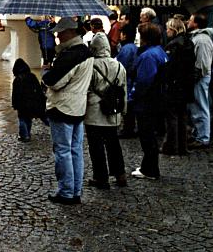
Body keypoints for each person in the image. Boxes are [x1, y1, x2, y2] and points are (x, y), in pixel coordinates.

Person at [41, 17, 93, 205]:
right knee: (75, 150)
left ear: (69, 32)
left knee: (63, 151)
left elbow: (54, 81)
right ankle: (75, 190)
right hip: (79, 107)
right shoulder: (86, 52)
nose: (57, 36)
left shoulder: (71, 55)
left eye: (60, 33)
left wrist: (46, 72)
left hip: (62, 108)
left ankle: (66, 191)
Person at [85, 34, 127, 189]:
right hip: (113, 111)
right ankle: (120, 174)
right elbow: (123, 90)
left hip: (94, 112)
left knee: (96, 146)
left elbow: (86, 89)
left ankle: (101, 178)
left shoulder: (90, 65)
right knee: (113, 144)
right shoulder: (119, 66)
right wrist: (123, 111)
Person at [131, 23, 169, 180]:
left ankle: (150, 169)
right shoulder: (159, 52)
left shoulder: (148, 56)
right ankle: (148, 166)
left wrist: (134, 96)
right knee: (150, 135)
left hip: (148, 101)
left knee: (147, 136)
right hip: (157, 99)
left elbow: (144, 81)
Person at [161, 18, 195, 156]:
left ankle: (172, 146)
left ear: (174, 29)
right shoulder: (188, 42)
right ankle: (182, 146)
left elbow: (170, 68)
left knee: (172, 117)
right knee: (182, 116)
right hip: (186, 85)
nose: (167, 31)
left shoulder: (173, 45)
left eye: (168, 28)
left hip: (175, 85)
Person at [187, 13, 213, 149]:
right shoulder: (198, 37)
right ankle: (199, 134)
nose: (188, 22)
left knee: (201, 106)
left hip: (200, 77)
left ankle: (203, 137)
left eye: (190, 20)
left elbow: (202, 63)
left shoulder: (202, 40)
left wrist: (194, 77)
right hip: (198, 76)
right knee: (196, 107)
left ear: (196, 23)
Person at [11, 58, 45, 142]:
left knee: (22, 119)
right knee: (29, 119)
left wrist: (14, 104)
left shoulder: (17, 79)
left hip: (21, 103)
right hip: (32, 102)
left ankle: (24, 135)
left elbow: (14, 94)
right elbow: (39, 89)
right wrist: (41, 100)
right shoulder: (32, 76)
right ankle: (27, 133)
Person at [116, 25, 139, 138]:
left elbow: (121, 65)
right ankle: (129, 127)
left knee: (128, 106)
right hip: (131, 79)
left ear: (124, 35)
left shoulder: (127, 49)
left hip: (128, 80)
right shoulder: (133, 47)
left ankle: (128, 129)